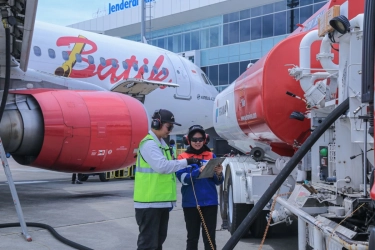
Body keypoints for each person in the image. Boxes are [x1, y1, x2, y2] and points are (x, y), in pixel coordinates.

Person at [134, 109, 200, 250]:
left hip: (159, 203)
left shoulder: (161, 145)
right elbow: (162, 167)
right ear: (157, 124)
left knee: (157, 244)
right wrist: (186, 162)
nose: (170, 130)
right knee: (148, 245)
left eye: (172, 127)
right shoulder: (149, 144)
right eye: (169, 126)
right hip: (149, 204)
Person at [176, 125, 224, 250]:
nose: (197, 142)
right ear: (188, 140)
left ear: (205, 140)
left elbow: (218, 182)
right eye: (194, 140)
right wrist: (198, 172)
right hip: (191, 204)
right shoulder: (182, 158)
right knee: (192, 238)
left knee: (210, 238)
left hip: (210, 203)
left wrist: (219, 173)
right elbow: (182, 179)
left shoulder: (211, 156)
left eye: (200, 139)